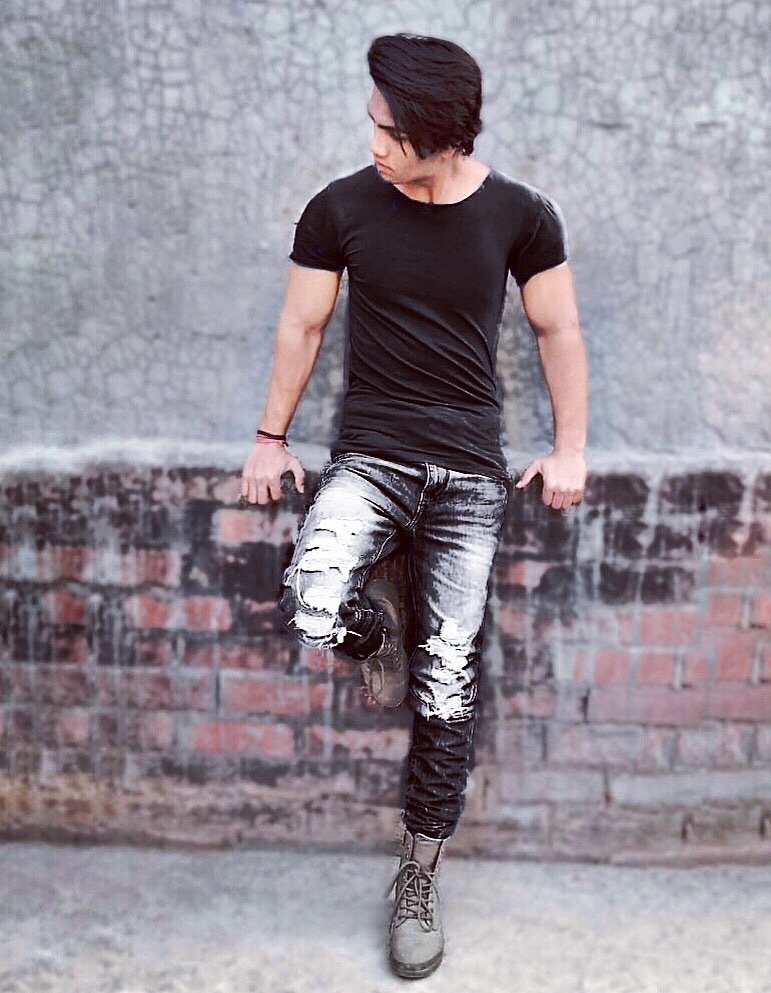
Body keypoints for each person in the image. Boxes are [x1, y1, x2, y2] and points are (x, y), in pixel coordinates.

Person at [238, 33, 588, 980]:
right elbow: (302, 321)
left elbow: (556, 329)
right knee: (312, 600)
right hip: (373, 460)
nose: (375, 145)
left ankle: (418, 877)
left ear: (442, 135)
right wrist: (270, 436)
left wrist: (569, 449)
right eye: (373, 125)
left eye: (392, 133)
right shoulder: (340, 207)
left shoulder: (520, 216)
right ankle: (375, 633)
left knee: (447, 684)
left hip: (471, 476)